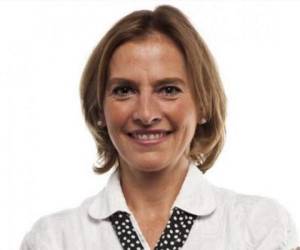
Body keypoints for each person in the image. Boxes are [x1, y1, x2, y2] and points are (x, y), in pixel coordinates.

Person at [20, 5, 299, 250]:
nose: (145, 113)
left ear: (203, 104)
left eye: (168, 89)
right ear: (99, 109)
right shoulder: (53, 240)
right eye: (124, 90)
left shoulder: (262, 229)